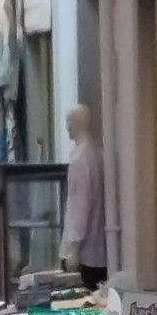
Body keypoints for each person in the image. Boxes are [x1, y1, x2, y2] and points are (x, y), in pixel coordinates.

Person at [61, 103, 107, 287]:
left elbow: (79, 206)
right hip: (99, 249)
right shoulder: (98, 153)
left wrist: (73, 247)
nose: (67, 127)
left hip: (85, 252)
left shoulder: (80, 158)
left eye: (68, 122)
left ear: (75, 124)